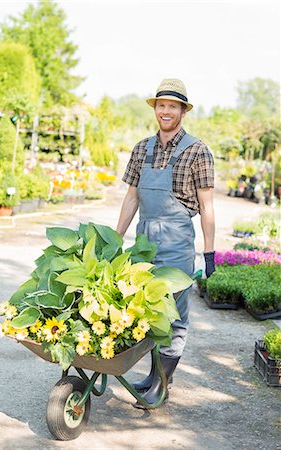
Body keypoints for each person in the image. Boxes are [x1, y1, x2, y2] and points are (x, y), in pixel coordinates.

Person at [116, 78, 215, 408]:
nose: (166, 111)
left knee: (173, 314)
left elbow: (208, 206)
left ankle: (162, 381)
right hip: (144, 240)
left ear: (183, 111)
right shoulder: (141, 148)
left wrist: (210, 252)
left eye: (173, 106)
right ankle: (154, 374)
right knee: (143, 310)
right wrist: (115, 239)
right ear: (155, 109)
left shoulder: (197, 151)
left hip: (176, 241)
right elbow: (131, 198)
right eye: (161, 105)